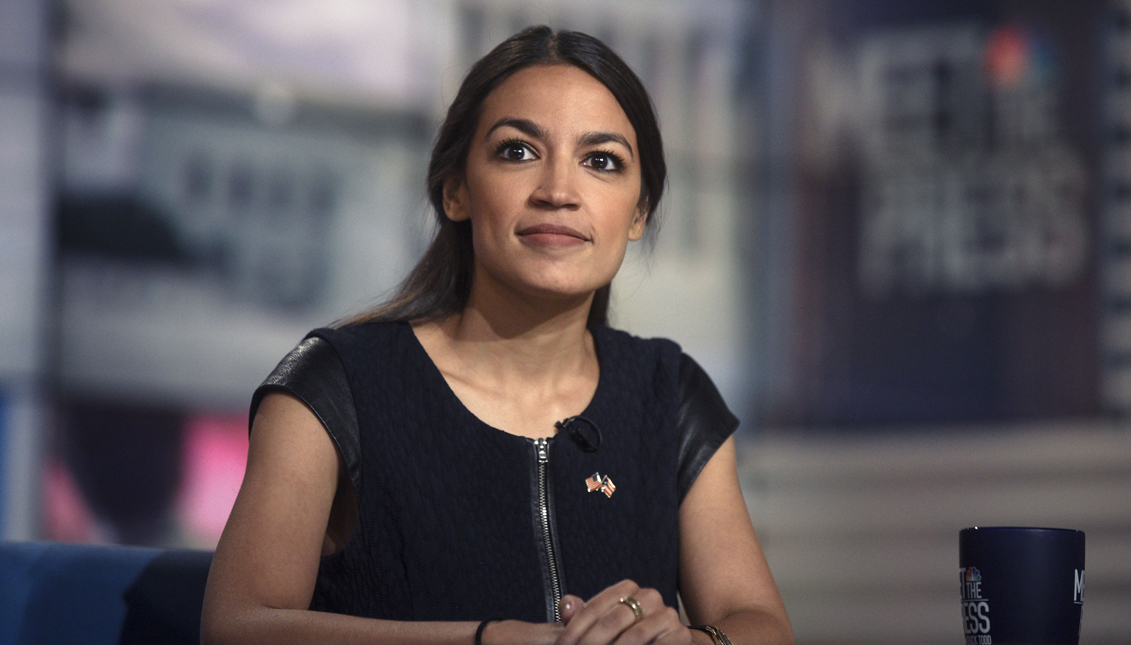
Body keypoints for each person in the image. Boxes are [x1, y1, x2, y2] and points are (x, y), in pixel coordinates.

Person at [201, 25, 793, 645]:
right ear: (455, 189)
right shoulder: (335, 385)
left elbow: (763, 626)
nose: (559, 192)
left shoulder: (668, 395)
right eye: (518, 151)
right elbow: (237, 627)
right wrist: (489, 640)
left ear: (639, 212)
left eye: (601, 161)